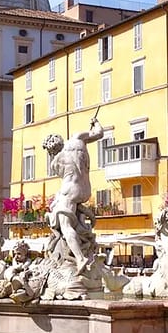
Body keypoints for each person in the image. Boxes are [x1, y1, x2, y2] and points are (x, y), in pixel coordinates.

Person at [42, 116, 105, 273]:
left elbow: (65, 176)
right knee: (64, 209)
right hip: (85, 190)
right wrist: (95, 122)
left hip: (70, 190)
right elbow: (99, 133)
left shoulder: (55, 162)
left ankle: (80, 258)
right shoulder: (77, 138)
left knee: (65, 226)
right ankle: (85, 214)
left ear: (51, 150)